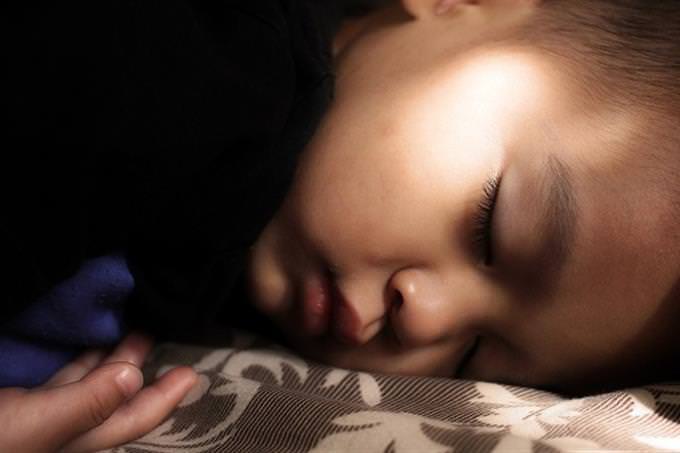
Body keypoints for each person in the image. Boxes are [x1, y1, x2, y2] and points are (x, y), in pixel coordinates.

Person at [2, 0, 679, 450]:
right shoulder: (207, 61)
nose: (425, 316)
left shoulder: (227, 256)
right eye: (489, 226)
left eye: (474, 354)